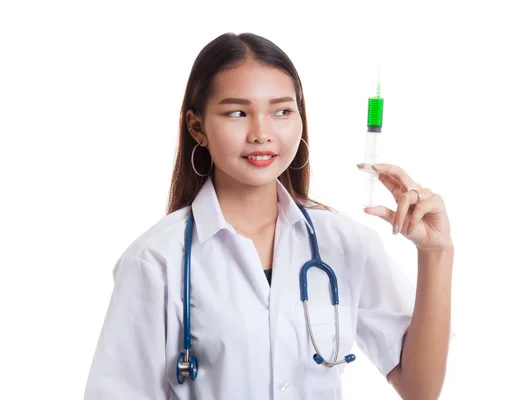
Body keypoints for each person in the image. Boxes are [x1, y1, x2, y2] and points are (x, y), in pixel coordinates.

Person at [84, 32, 454, 400]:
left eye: (281, 111)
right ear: (197, 127)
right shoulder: (155, 261)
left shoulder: (345, 243)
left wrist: (436, 253)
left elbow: (420, 389)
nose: (261, 133)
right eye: (237, 113)